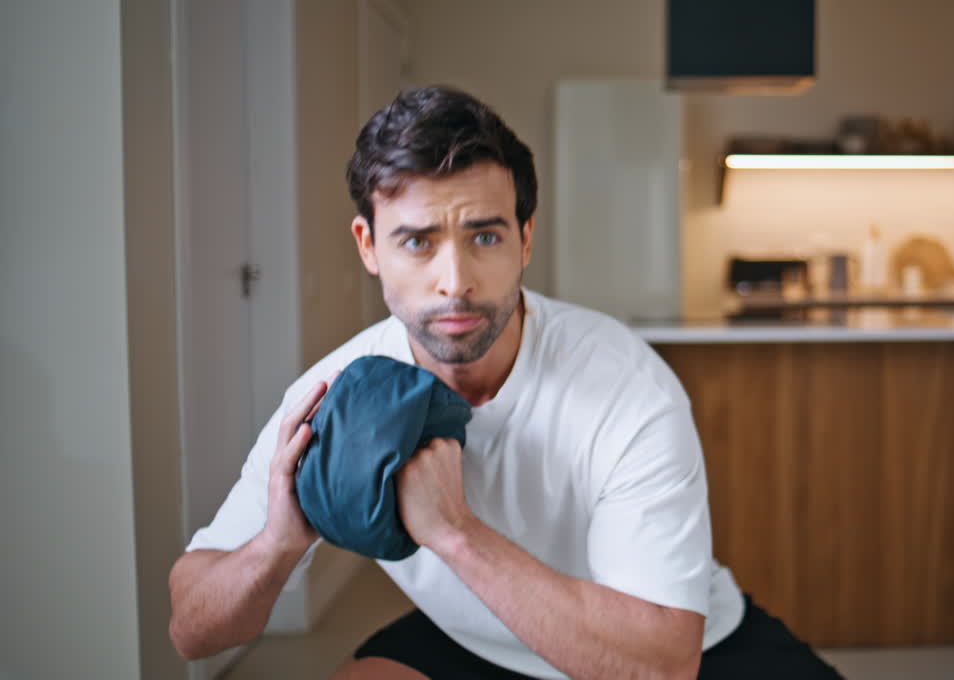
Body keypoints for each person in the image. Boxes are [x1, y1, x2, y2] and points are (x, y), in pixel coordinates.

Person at [168, 86, 842, 680]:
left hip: (672, 651)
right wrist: (277, 544)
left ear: (525, 239)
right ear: (368, 246)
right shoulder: (329, 397)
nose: (454, 281)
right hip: (481, 643)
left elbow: (662, 666)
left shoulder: (627, 388)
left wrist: (455, 532)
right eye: (417, 241)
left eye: (484, 238)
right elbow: (191, 630)